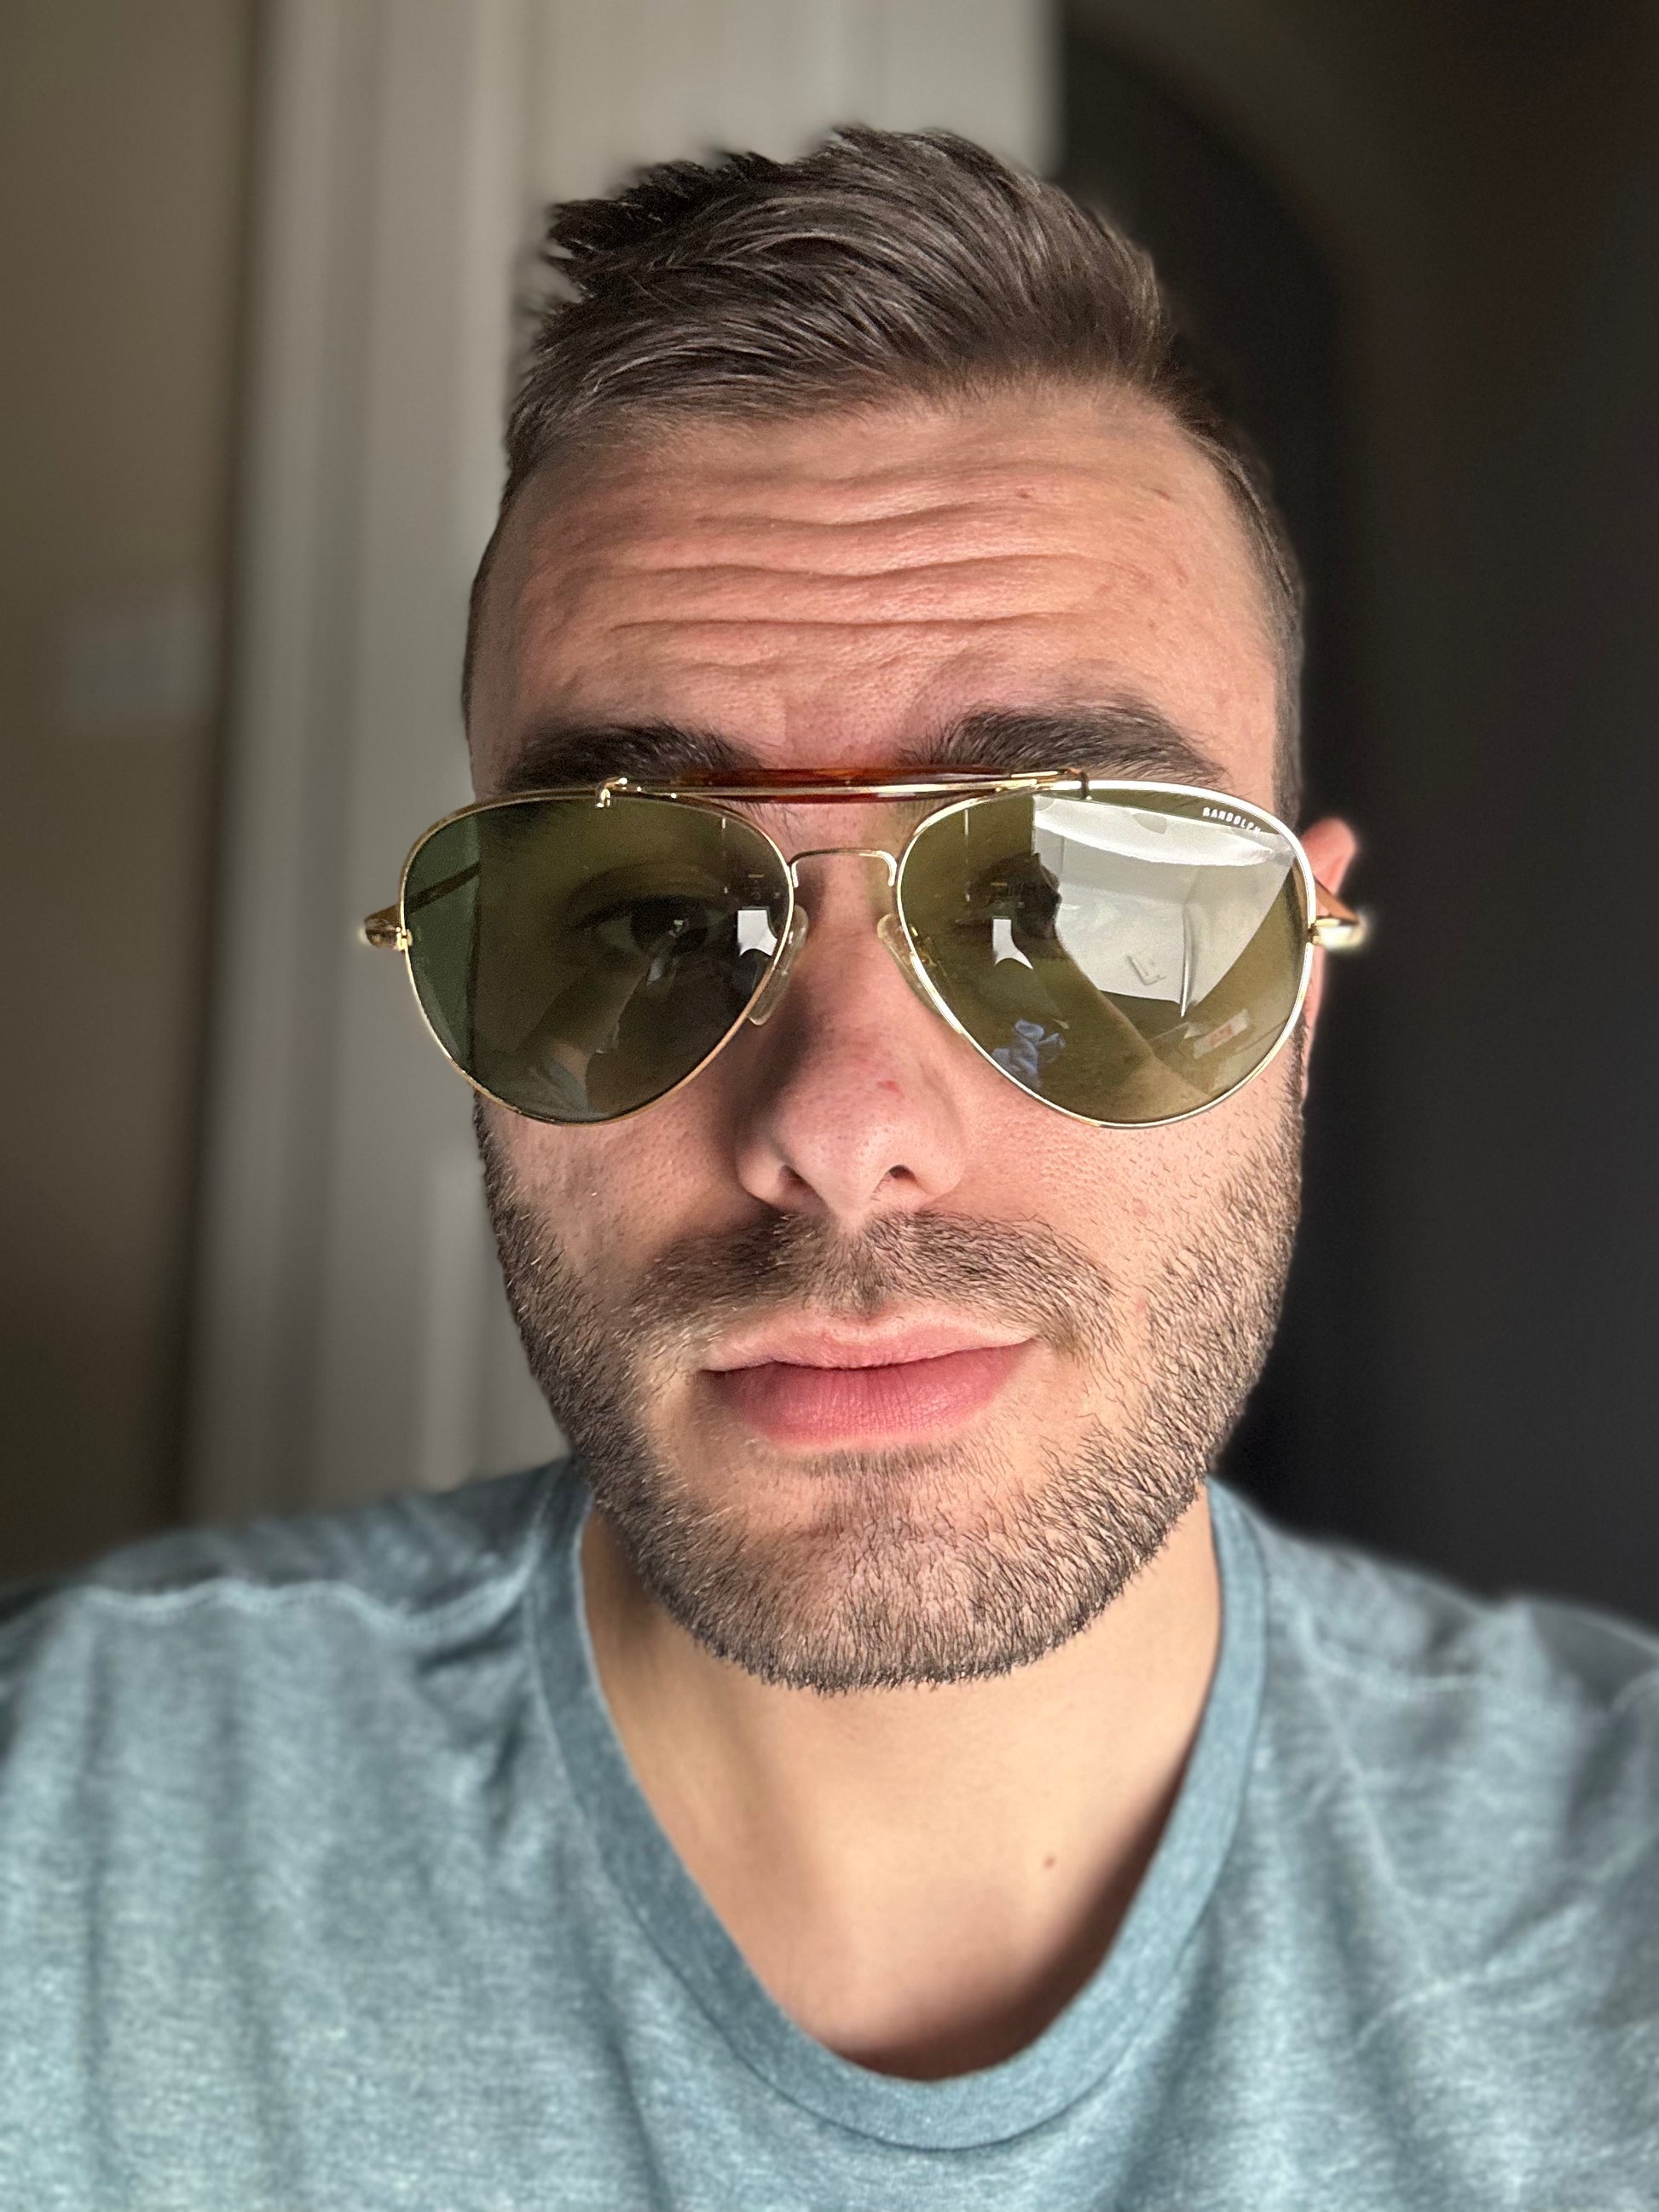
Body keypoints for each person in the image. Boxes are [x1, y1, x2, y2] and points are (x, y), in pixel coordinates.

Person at [3, 130, 1654, 2212]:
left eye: (1065, 905)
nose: (843, 1123)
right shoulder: (61, 1820)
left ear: (1296, 993)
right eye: (634, 913)